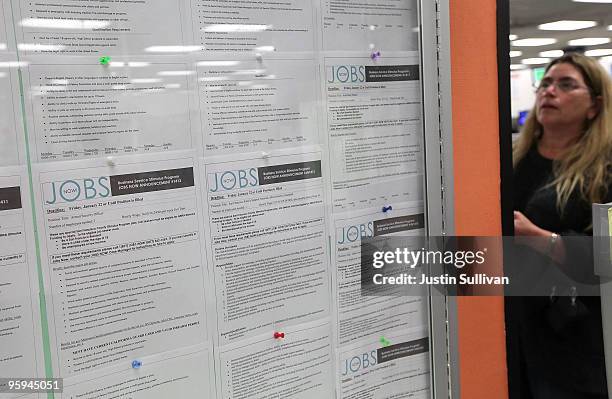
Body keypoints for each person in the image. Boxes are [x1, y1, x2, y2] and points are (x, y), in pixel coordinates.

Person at [509, 53, 612, 398]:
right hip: (514, 321)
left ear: (595, 106)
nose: (549, 92)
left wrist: (542, 240)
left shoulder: (604, 172)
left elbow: (608, 258)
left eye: (566, 85)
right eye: (546, 83)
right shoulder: (512, 161)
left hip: (576, 332)